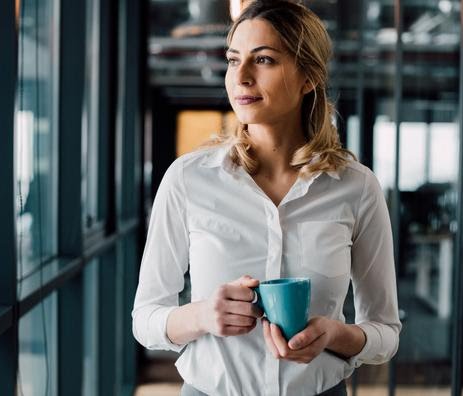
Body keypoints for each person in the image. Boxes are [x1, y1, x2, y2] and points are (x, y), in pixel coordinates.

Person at [132, 1, 401, 395]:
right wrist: (204, 315)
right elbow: (146, 320)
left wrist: (335, 334)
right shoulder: (188, 180)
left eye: (264, 60)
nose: (240, 77)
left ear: (308, 76)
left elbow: (385, 333)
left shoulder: (356, 188)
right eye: (232, 59)